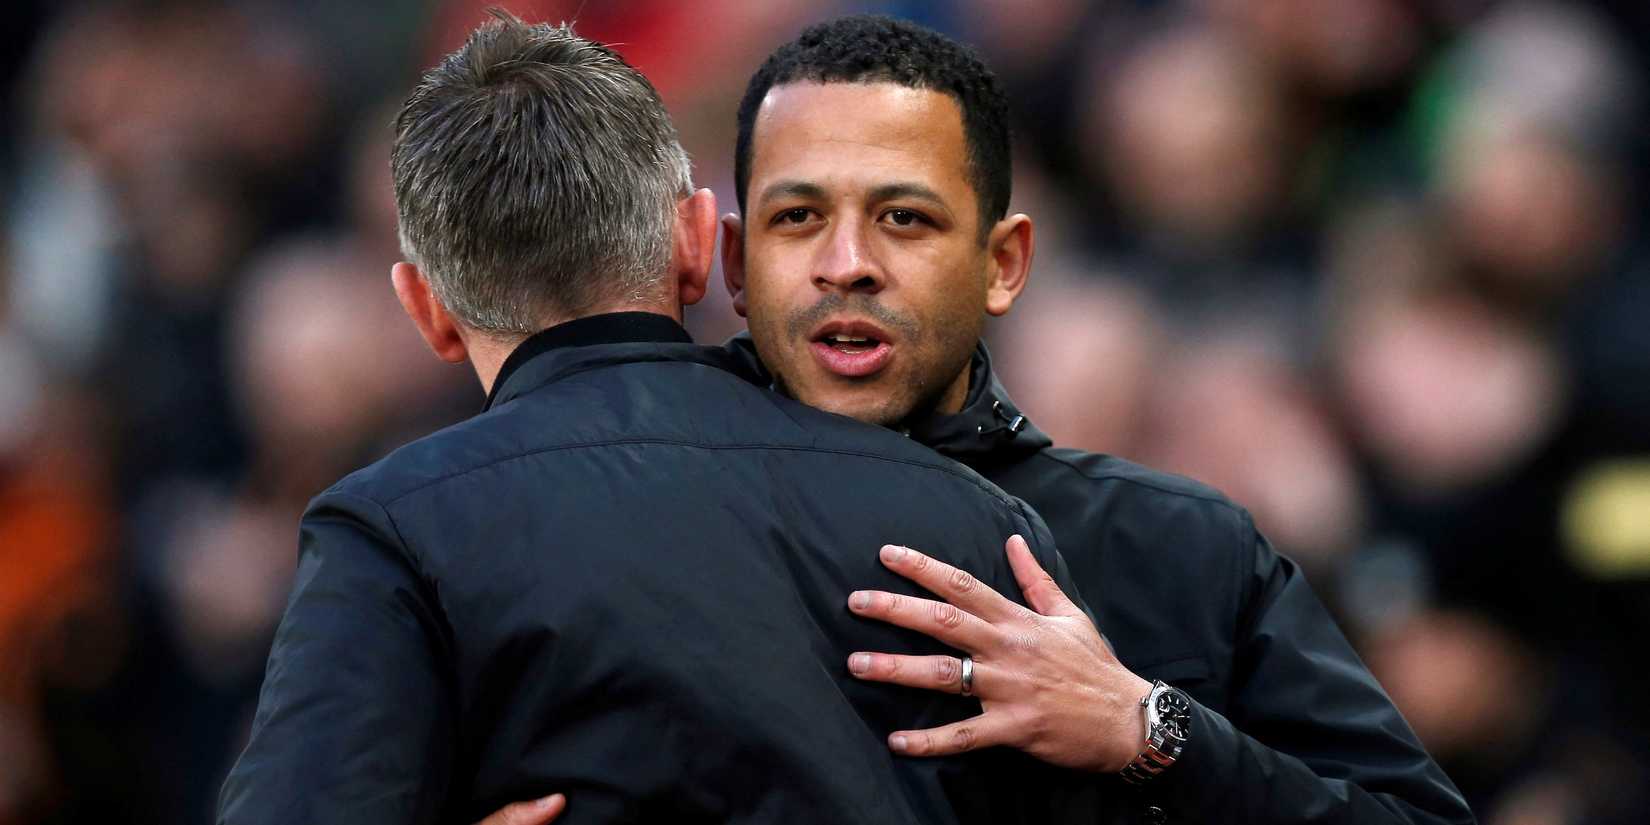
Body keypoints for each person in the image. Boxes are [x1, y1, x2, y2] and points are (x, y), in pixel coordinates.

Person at [484, 15, 1473, 825]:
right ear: (735, 266)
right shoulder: (590, 533)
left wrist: (1148, 729)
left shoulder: (1184, 549)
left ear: (1004, 263)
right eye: (798, 219)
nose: (847, 265)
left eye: (904, 218)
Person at [216, 14, 1105, 825]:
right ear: (697, 243)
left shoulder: (393, 533)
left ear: (427, 309)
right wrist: (1159, 729)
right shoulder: (967, 518)